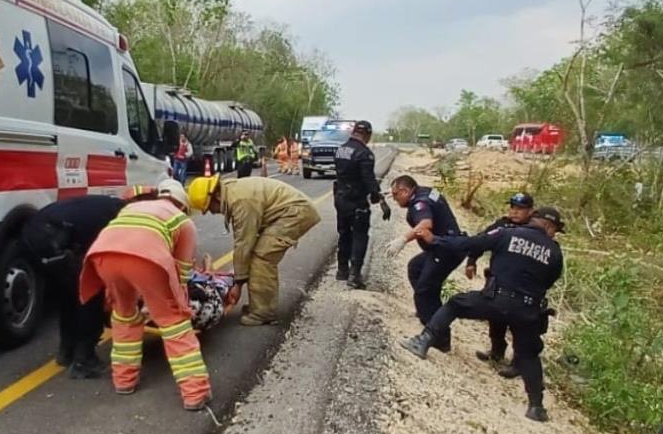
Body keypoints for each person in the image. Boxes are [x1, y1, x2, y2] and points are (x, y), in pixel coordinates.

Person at [400, 207, 565, 422]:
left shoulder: (507, 233)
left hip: (496, 299)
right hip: (527, 310)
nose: (554, 234)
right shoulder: (554, 252)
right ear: (548, 226)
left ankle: (423, 341)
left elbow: (471, 244)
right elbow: (549, 280)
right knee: (528, 355)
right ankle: (536, 407)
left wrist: (436, 241)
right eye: (555, 230)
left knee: (455, 304)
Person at [79, 180, 211, 411]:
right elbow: (181, 273)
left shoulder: (132, 208)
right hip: (145, 260)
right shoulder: (183, 221)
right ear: (183, 204)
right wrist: (177, 305)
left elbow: (121, 239)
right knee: (174, 325)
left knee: (124, 316)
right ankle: (195, 394)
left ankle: (124, 381)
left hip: (102, 256)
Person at [19, 185, 158, 379]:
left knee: (69, 296)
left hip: (34, 234)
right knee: (90, 293)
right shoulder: (122, 218)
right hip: (55, 239)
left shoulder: (110, 207)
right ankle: (84, 361)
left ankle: (67, 351)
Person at [189, 173, 320, 326]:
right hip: (290, 212)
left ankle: (263, 313)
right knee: (256, 254)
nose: (212, 212)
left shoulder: (241, 201)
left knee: (262, 257)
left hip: (295, 214)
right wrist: (239, 279)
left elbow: (244, 243)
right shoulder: (231, 191)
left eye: (210, 208)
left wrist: (238, 284)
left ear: (216, 197)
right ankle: (258, 306)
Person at [384, 175, 464, 352]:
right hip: (448, 246)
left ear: (406, 191)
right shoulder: (424, 192)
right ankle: (428, 313)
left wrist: (403, 239)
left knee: (424, 291)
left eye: (397, 195)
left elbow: (425, 223)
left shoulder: (419, 203)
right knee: (415, 268)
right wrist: (390, 194)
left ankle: (437, 338)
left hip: (445, 251)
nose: (396, 200)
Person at [466, 192, 535, 377]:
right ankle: (497, 351)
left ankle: (517, 364)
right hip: (499, 280)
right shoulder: (502, 225)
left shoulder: (534, 230)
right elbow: (481, 240)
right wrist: (472, 261)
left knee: (519, 325)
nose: (514, 212)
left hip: (523, 286)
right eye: (512, 207)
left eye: (519, 208)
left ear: (530, 211)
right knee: (495, 317)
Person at [333, 120, 390, 288]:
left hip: (340, 198)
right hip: (356, 201)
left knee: (344, 233)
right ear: (367, 135)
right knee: (360, 235)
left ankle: (342, 270)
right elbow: (368, 179)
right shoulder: (364, 153)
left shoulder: (341, 149)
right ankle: (354, 275)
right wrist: (379, 198)